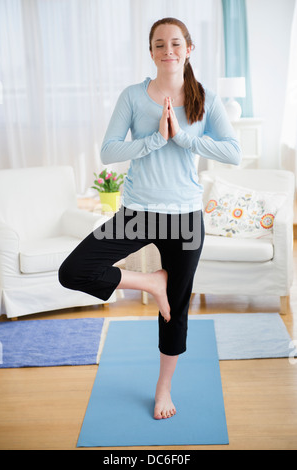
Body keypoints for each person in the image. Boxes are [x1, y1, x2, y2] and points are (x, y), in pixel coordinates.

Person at [58, 17, 242, 421]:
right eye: (159, 44)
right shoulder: (133, 96)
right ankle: (149, 282)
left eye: (176, 43)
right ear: (152, 52)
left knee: (174, 309)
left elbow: (233, 152)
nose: (168, 50)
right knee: (73, 270)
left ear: (189, 49)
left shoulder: (206, 99)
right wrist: (155, 140)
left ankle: (163, 389)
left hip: (185, 218)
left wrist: (183, 138)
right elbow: (108, 151)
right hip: (139, 212)